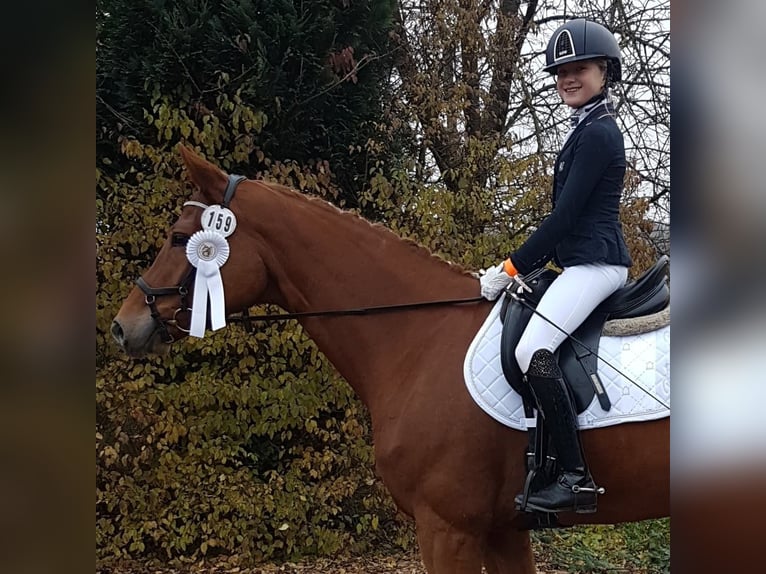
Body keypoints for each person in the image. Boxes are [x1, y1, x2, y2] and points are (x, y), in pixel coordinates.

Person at [479, 18, 633, 513]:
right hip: (580, 264)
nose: (569, 78)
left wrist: (511, 268)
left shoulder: (599, 134)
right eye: (561, 71)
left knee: (532, 349)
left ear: (604, 72)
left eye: (580, 69)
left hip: (597, 264)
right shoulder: (585, 128)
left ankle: (573, 476)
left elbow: (564, 219)